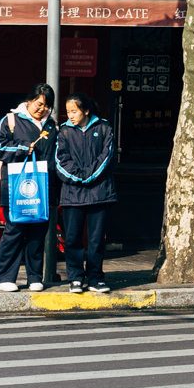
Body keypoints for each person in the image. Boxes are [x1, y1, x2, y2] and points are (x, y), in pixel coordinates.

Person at [0, 83, 57, 292]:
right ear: (29, 100)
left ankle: (34, 277)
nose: (42, 109)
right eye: (39, 104)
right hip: (16, 188)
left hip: (44, 188)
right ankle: (4, 278)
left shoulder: (52, 125)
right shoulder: (11, 120)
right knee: (14, 231)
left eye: (47, 106)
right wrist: (20, 150)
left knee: (38, 232)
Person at [54, 93, 117, 293]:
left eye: (74, 111)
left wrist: (88, 176)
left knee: (96, 239)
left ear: (86, 111)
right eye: (68, 112)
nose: (70, 116)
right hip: (72, 194)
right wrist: (78, 177)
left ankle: (96, 278)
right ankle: (75, 278)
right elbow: (60, 161)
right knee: (72, 238)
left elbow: (106, 157)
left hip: (99, 192)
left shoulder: (104, 128)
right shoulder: (64, 131)